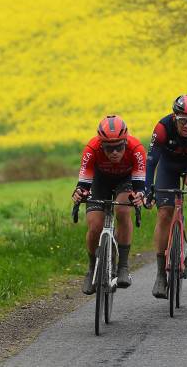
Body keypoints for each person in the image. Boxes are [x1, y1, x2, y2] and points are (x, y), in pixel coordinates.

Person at [144, 95, 187, 298]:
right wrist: (148, 189)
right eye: (182, 120)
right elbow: (151, 162)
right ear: (174, 117)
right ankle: (160, 273)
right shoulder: (162, 127)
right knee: (164, 215)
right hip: (168, 166)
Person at [72, 115, 146, 295]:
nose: (114, 152)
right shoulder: (91, 148)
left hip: (125, 180)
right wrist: (79, 193)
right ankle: (91, 269)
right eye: (109, 148)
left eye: (119, 147)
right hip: (100, 180)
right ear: (101, 144)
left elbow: (139, 186)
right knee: (95, 225)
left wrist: (139, 196)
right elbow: (83, 183)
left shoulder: (136, 149)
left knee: (122, 209)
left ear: (126, 143)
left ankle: (123, 267)